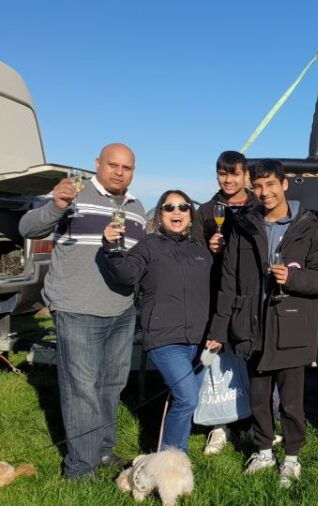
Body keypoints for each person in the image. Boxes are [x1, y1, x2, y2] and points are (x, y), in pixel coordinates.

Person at [18, 143, 145, 479]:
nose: (119, 172)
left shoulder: (136, 207)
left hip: (120, 310)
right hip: (77, 309)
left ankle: (102, 452)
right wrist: (56, 207)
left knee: (111, 386)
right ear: (97, 164)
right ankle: (80, 468)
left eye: (127, 167)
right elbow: (28, 228)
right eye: (113, 165)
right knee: (81, 390)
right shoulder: (73, 194)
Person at [208, 159, 318, 488]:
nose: (264, 193)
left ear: (284, 184)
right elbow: (229, 281)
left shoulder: (308, 227)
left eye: (270, 185)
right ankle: (264, 451)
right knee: (258, 397)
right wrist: (219, 330)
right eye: (258, 186)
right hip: (250, 325)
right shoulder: (243, 225)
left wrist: (292, 277)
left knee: (292, 401)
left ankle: (291, 458)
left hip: (291, 328)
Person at [102, 190, 211, 453]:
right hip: (165, 339)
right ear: (160, 214)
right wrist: (111, 249)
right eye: (169, 207)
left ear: (190, 214)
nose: (177, 212)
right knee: (186, 398)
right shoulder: (149, 246)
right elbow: (126, 276)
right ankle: (172, 460)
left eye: (183, 207)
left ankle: (173, 457)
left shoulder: (202, 250)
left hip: (200, 339)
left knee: (187, 401)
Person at [194, 150, 259, 456]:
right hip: (216, 294)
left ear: (246, 175)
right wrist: (208, 248)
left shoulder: (259, 207)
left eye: (234, 173)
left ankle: (249, 422)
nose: (229, 179)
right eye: (223, 173)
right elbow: (193, 253)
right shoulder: (208, 210)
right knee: (218, 362)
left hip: (251, 297)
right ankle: (218, 427)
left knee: (248, 362)